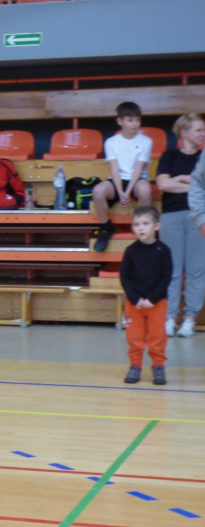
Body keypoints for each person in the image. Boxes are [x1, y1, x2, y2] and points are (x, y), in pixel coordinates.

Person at [156, 113, 205, 338]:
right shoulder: (169, 155)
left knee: (196, 270)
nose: (203, 134)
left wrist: (181, 180)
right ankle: (169, 317)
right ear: (184, 133)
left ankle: (190, 319)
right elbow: (163, 184)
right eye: (199, 130)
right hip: (171, 216)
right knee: (172, 270)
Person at [91, 102, 154, 253]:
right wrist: (120, 192)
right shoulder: (111, 142)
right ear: (120, 121)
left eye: (137, 120)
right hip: (117, 179)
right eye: (130, 120)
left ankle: (139, 226)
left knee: (145, 189)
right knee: (98, 191)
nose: (135, 124)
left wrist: (128, 191)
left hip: (137, 179)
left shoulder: (146, 141)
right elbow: (114, 168)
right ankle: (106, 227)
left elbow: (139, 168)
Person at [119, 206, 172, 386]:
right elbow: (125, 277)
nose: (141, 228)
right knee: (134, 337)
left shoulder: (164, 250)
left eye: (146, 223)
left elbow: (166, 277)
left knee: (158, 337)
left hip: (157, 303)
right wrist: (135, 299)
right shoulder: (130, 251)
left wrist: (152, 299)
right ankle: (135, 365)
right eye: (137, 224)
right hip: (134, 304)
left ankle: (158, 365)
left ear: (157, 226)